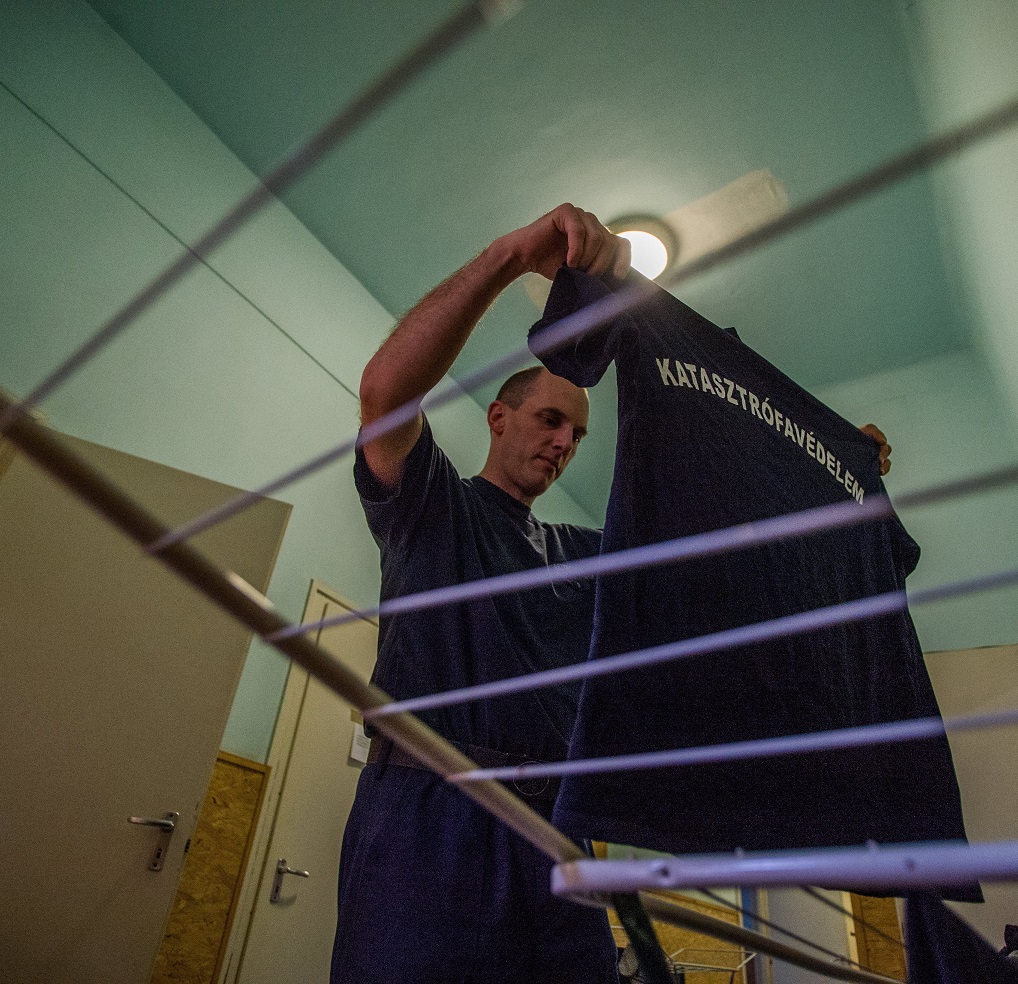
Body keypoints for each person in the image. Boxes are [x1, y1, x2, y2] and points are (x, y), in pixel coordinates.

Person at [330, 204, 893, 983]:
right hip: (430, 821)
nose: (563, 442)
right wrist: (507, 256)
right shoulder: (435, 512)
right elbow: (383, 392)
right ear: (498, 418)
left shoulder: (588, 556)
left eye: (577, 434)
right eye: (549, 419)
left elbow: (728, 552)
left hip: (554, 832)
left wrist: (825, 474)